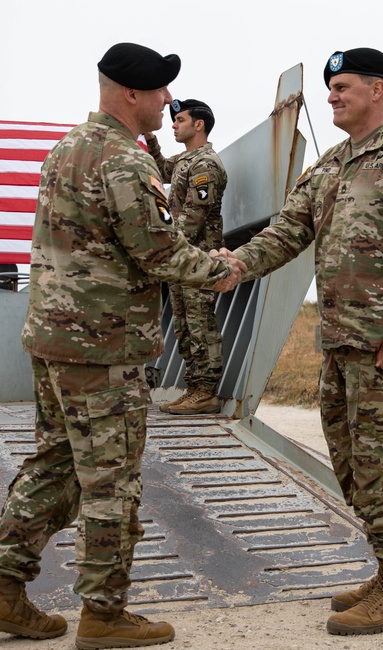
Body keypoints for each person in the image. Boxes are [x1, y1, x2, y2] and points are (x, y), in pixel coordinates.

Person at [0, 42, 245, 650]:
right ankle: (104, 612)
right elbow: (158, 250)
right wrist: (224, 269)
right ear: (131, 94)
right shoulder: (126, 160)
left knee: (55, 465)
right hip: (103, 347)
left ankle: (6, 591)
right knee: (111, 481)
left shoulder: (68, 146)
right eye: (160, 91)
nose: (168, 100)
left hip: (53, 337)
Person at [217, 48, 383, 635]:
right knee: (350, 465)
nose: (331, 96)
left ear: (379, 90)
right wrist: (238, 264)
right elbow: (287, 231)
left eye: (343, 87)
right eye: (329, 89)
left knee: (380, 464)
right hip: (340, 343)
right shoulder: (330, 166)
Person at [145, 99, 228, 414]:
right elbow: (163, 168)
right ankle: (195, 388)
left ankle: (206, 391)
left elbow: (195, 214)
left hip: (197, 259)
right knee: (184, 325)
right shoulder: (185, 160)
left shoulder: (206, 164)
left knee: (200, 323)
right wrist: (151, 140)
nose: (174, 125)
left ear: (199, 124)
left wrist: (167, 248)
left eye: (179, 120)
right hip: (183, 259)